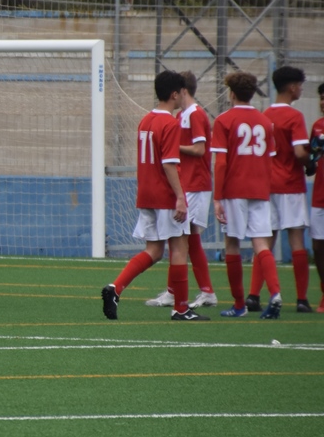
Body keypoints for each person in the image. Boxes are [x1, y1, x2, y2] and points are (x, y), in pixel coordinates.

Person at [101, 70, 207, 321]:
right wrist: (180, 197)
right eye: (181, 93)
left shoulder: (146, 120)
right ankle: (181, 308)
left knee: (154, 251)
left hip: (146, 194)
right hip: (165, 195)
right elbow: (169, 164)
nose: (182, 97)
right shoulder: (170, 123)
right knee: (179, 248)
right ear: (175, 94)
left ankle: (115, 288)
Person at [211, 70, 283, 319]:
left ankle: (239, 305)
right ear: (252, 94)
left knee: (232, 244)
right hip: (260, 190)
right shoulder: (265, 122)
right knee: (261, 244)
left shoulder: (224, 120)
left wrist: (217, 198)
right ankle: (275, 293)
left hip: (234, 190)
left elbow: (221, 163)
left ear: (231, 93)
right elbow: (270, 162)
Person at [145, 71, 216, 309]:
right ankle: (180, 291)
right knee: (182, 238)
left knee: (184, 238)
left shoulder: (195, 114)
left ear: (181, 91)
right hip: (188, 183)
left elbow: (200, 149)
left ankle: (198, 292)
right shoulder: (181, 115)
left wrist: (173, 146)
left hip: (197, 183)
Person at [246, 66, 314, 313]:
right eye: (300, 85)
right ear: (293, 87)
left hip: (267, 185)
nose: (301, 90)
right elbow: (299, 152)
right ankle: (302, 299)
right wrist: (311, 162)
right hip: (290, 185)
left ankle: (253, 295)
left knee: (265, 241)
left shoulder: (265, 115)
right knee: (296, 239)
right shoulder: (294, 116)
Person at [308, 82, 324, 313]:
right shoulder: (318, 127)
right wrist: (309, 162)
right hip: (319, 195)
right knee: (318, 246)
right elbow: (312, 162)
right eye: (321, 98)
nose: (322, 103)